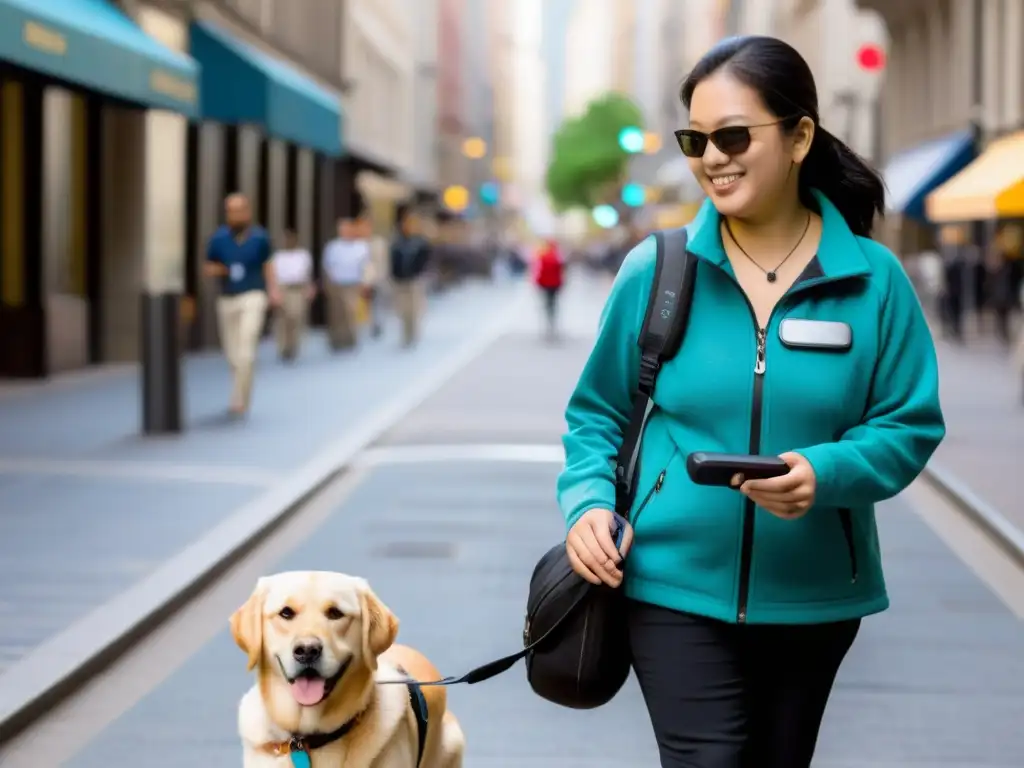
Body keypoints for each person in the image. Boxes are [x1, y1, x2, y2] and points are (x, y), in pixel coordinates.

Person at [557, 36, 945, 768]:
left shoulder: (875, 281)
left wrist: (825, 473)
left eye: (733, 135)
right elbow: (596, 415)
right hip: (668, 583)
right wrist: (585, 506)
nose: (711, 157)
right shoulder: (659, 269)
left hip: (816, 597)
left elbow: (908, 423)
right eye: (695, 139)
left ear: (799, 136)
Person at [205, 193, 277, 417]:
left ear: (247, 211)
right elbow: (208, 267)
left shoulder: (260, 238)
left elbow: (268, 265)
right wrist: (223, 270)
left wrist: (274, 290)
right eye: (231, 210)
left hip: (253, 295)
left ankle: (240, 399)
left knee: (246, 351)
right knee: (233, 354)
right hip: (228, 298)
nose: (235, 215)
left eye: (239, 210)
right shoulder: (218, 240)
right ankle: (239, 391)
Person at [321, 218, 369, 350]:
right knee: (336, 313)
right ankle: (336, 340)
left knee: (350, 311)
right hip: (336, 284)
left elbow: (366, 267)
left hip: (353, 284)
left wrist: (364, 283)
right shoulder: (333, 246)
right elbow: (327, 266)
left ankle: (351, 339)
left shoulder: (361, 247)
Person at [270, 229, 315, 361]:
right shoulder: (277, 256)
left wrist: (309, 288)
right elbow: (272, 275)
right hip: (282, 289)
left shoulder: (303, 255)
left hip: (297, 290)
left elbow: (307, 274)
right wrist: (274, 291)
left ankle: (293, 346)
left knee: (296, 317)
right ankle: (283, 347)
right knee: (281, 320)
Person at [390, 207, 431, 347]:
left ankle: (414, 333)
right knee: (403, 309)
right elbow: (393, 260)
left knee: (415, 308)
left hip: (415, 280)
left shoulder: (420, 242)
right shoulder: (398, 242)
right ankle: (405, 334)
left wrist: (419, 273)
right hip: (400, 281)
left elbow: (425, 260)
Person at [533, 238, 565, 339]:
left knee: (547, 303)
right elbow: (561, 271)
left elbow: (539, 271)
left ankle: (549, 323)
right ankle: (552, 322)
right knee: (553, 303)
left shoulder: (543, 256)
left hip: (545, 284)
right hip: (555, 284)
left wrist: (538, 283)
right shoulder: (558, 257)